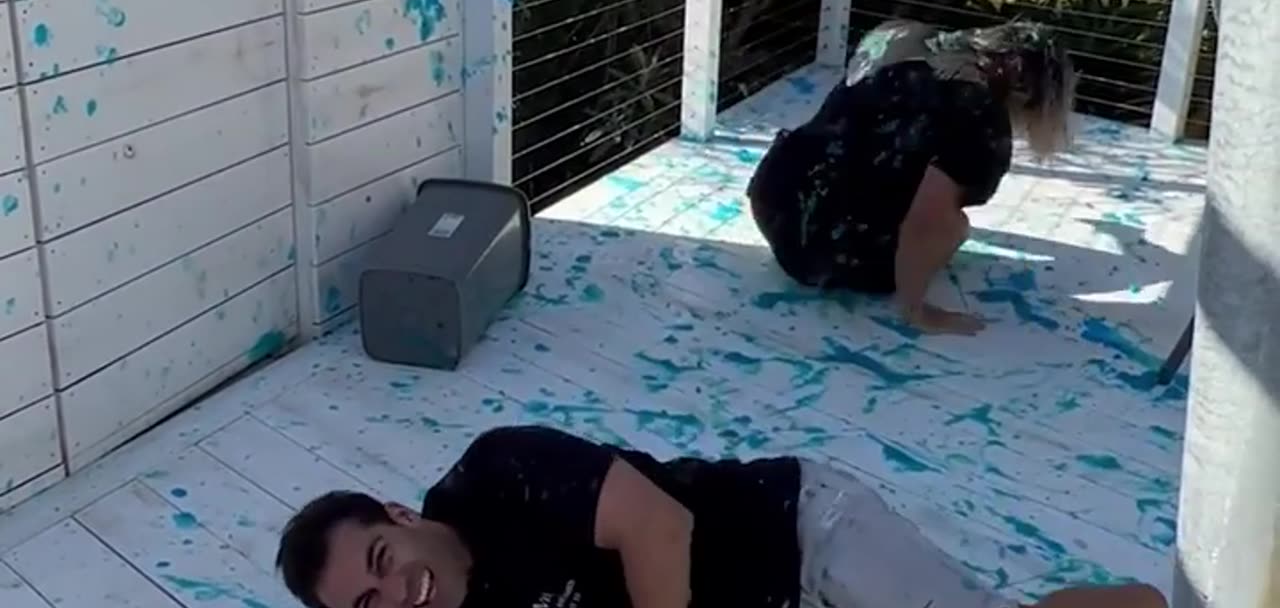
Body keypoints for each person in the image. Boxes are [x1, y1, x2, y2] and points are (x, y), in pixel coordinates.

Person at [275, 424, 1164, 608]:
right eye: (368, 607)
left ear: (398, 514)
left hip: (799, 533)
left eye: (381, 560)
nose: (398, 592)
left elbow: (659, 525)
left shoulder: (500, 471)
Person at [746, 19, 1077, 336]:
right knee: (955, 226)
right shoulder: (981, 116)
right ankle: (905, 298)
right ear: (1022, 84)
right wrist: (916, 309)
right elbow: (927, 222)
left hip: (774, 201)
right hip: (826, 255)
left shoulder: (896, 34)